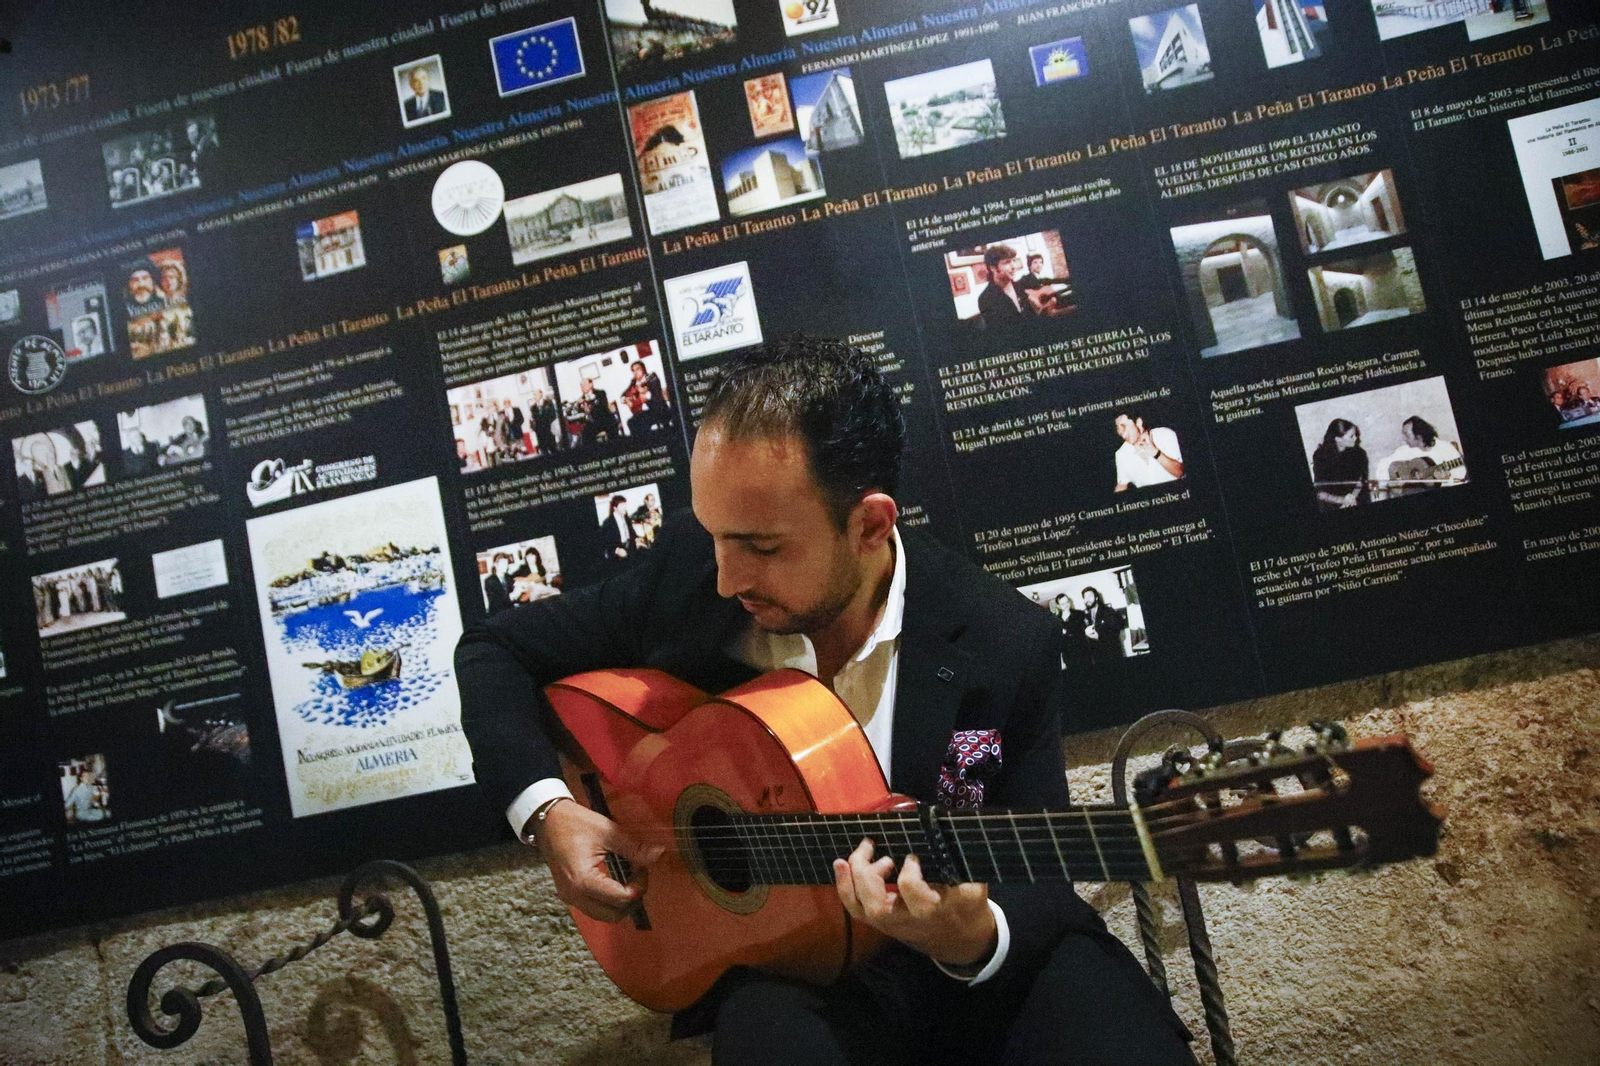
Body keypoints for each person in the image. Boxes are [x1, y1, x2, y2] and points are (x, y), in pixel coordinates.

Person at [455, 337, 1194, 1065]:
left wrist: (973, 937)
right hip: (790, 969)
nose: (725, 577)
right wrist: (547, 813)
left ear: (870, 523)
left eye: (762, 546)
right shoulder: (695, 572)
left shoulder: (1006, 640)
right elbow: (495, 650)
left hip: (990, 973)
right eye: (714, 536)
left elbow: (1043, 861)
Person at [1379, 416, 1465, 496]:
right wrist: (1391, 482)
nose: (1403, 439)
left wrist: (1445, 480)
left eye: (1406, 435)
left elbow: (1461, 476)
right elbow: (1383, 465)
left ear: (1419, 436)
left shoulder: (1445, 448)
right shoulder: (1405, 450)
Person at [1112, 410, 1184, 491]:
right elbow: (1121, 485)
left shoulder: (1165, 435)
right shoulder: (1121, 454)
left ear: (1138, 422)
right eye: (1118, 428)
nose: (1122, 433)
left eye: (1124, 426)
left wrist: (1155, 452)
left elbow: (1180, 472)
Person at [1311, 418, 1370, 511]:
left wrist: (1352, 498)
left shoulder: (1360, 453)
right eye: (1351, 436)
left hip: (1355, 497)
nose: (1356, 438)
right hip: (1332, 501)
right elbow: (1319, 491)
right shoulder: (1320, 456)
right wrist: (1341, 500)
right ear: (1338, 439)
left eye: (1355, 434)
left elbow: (1361, 481)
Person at [974, 244, 1031, 331]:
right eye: (1007, 262)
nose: (1014, 267)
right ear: (993, 268)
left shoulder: (1019, 287)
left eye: (1014, 260)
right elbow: (1001, 334)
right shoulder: (986, 299)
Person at [621, 360, 674, 434]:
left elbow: (657, 396)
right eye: (633, 370)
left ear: (643, 369)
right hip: (643, 412)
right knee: (631, 422)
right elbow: (624, 394)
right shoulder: (633, 382)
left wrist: (645, 394)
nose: (635, 372)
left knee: (642, 423)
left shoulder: (652, 379)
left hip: (657, 409)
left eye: (638, 369)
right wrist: (625, 399)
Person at [1081, 586, 1127, 667]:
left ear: (1096, 598)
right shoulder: (1085, 615)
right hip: (1097, 657)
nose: (1087, 599)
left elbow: (1116, 630)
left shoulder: (1108, 611)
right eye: (1085, 597)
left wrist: (1099, 637)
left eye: (1090, 596)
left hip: (1112, 655)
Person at [597, 494, 639, 569]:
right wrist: (616, 550)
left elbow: (632, 532)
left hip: (630, 548)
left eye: (625, 505)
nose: (625, 508)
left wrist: (637, 539)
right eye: (622, 505)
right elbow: (604, 542)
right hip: (618, 551)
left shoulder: (626, 518)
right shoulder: (608, 523)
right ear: (615, 508)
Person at [579, 377, 618, 445]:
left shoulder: (601, 393)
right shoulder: (580, 400)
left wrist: (590, 408)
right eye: (581, 385)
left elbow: (603, 407)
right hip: (593, 424)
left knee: (611, 426)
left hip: (605, 419)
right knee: (585, 434)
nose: (583, 387)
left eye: (585, 384)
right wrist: (585, 411)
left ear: (591, 384)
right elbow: (581, 417)